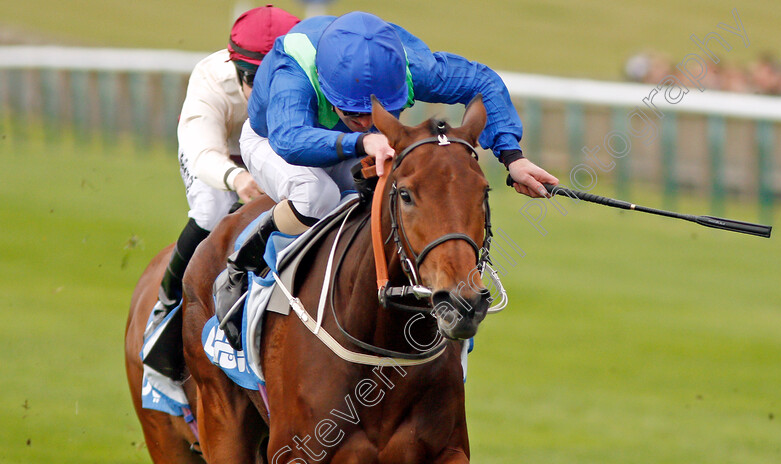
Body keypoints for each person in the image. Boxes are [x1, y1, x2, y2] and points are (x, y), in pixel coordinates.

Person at [215, 11, 558, 329]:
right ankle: (242, 264)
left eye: (377, 112)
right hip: (273, 142)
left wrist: (513, 158)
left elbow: (482, 82)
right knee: (318, 195)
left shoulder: (411, 66)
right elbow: (289, 139)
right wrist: (362, 141)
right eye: (354, 114)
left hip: (355, 144)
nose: (365, 123)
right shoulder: (295, 71)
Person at [144, 5, 300, 366]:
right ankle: (167, 304)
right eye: (252, 80)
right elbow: (202, 152)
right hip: (221, 154)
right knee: (212, 210)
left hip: (270, 148)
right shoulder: (210, 78)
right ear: (235, 68)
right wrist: (237, 178)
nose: (259, 92)